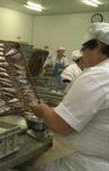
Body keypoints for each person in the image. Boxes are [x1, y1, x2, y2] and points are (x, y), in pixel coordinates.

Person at [32, 22, 109, 171]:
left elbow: (61, 126)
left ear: (98, 46)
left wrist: (44, 110)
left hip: (81, 163)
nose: (83, 55)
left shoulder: (97, 76)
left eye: (84, 49)